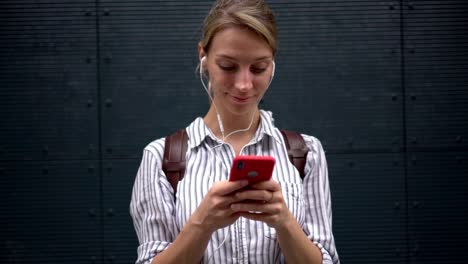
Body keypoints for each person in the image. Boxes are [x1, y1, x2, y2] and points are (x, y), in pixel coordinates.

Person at [130, 0, 339, 263]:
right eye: (228, 66)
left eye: (258, 68)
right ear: (203, 58)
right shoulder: (161, 158)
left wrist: (284, 222)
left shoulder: (306, 154)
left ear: (273, 64)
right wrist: (201, 224)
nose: (243, 84)